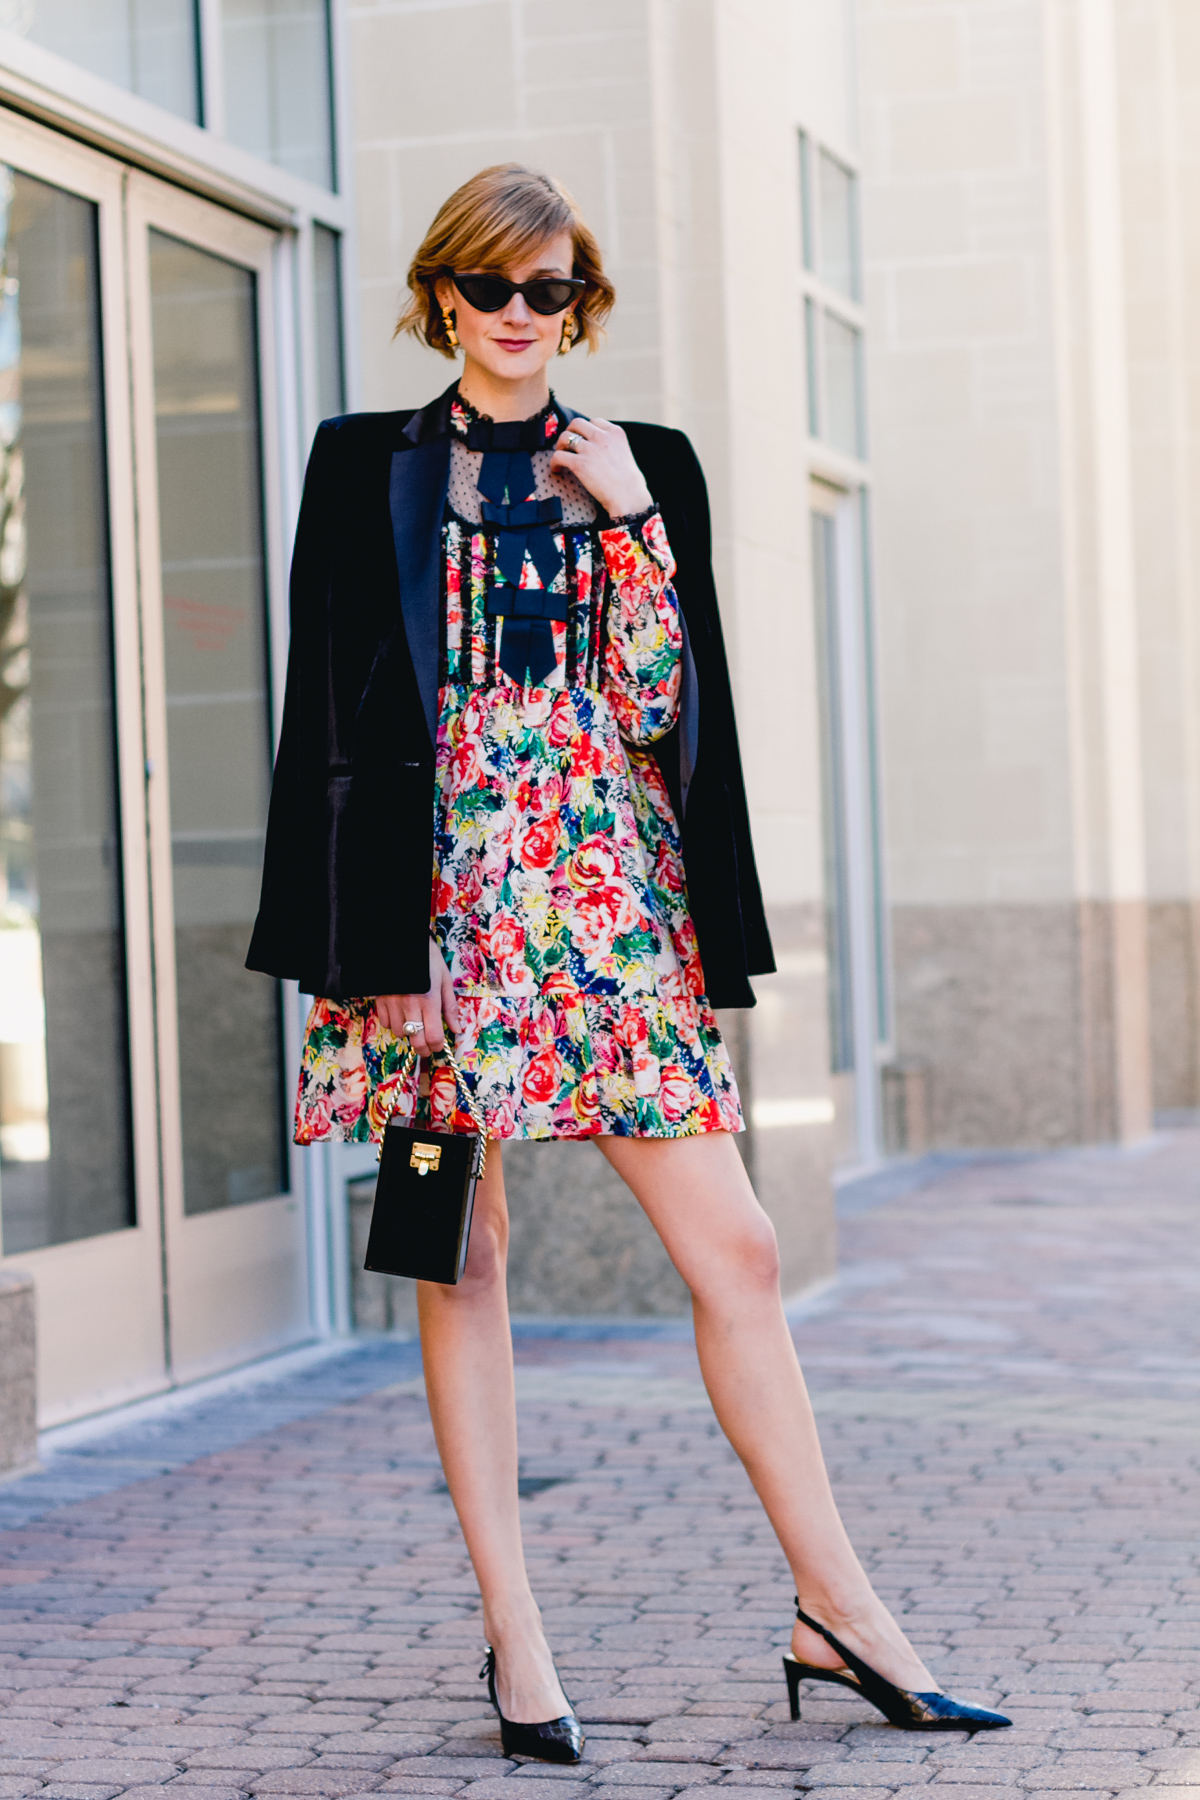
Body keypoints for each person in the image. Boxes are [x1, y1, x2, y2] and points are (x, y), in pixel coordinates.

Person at [247, 163, 1010, 1761]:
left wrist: (636, 523)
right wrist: (381, 951)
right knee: (464, 1253)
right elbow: (332, 716)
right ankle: (517, 1645)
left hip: (609, 908)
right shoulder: (359, 463)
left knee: (736, 1250)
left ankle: (840, 1610)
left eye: (556, 292)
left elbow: (670, 705)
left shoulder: (644, 465)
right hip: (439, 920)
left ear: (580, 304)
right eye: (496, 288)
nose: (524, 318)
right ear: (443, 292)